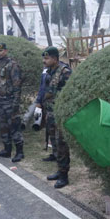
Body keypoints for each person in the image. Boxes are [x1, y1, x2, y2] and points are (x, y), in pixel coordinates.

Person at [41, 46, 71, 189]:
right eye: (44, 58)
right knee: (55, 143)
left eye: (46, 58)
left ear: (55, 58)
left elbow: (71, 93)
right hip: (51, 113)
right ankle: (59, 171)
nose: (44, 61)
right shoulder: (49, 72)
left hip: (60, 114)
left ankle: (64, 176)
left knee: (62, 144)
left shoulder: (65, 72)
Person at [0, 43, 24, 162]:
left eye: (1, 51)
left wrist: (16, 102)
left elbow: (17, 85)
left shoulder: (13, 65)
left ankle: (20, 152)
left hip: (10, 102)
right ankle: (7, 150)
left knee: (14, 127)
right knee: (3, 127)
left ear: (6, 51)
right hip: (0, 102)